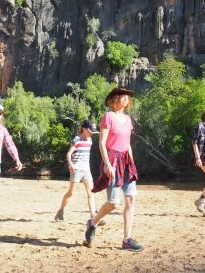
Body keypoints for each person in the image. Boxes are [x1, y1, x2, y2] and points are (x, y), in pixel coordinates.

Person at [84, 86, 144, 252]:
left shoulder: (129, 119)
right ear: (114, 100)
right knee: (114, 203)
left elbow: (128, 143)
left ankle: (127, 240)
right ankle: (93, 223)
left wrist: (131, 162)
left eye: (127, 97)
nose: (126, 99)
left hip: (126, 161)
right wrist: (108, 165)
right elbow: (102, 143)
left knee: (131, 198)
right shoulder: (108, 117)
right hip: (112, 160)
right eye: (122, 96)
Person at [54, 120, 100, 222]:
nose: (92, 133)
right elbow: (69, 153)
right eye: (90, 131)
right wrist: (70, 164)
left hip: (86, 170)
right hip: (76, 169)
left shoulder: (90, 140)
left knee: (91, 192)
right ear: (84, 129)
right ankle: (61, 210)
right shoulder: (77, 139)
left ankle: (93, 216)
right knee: (71, 192)